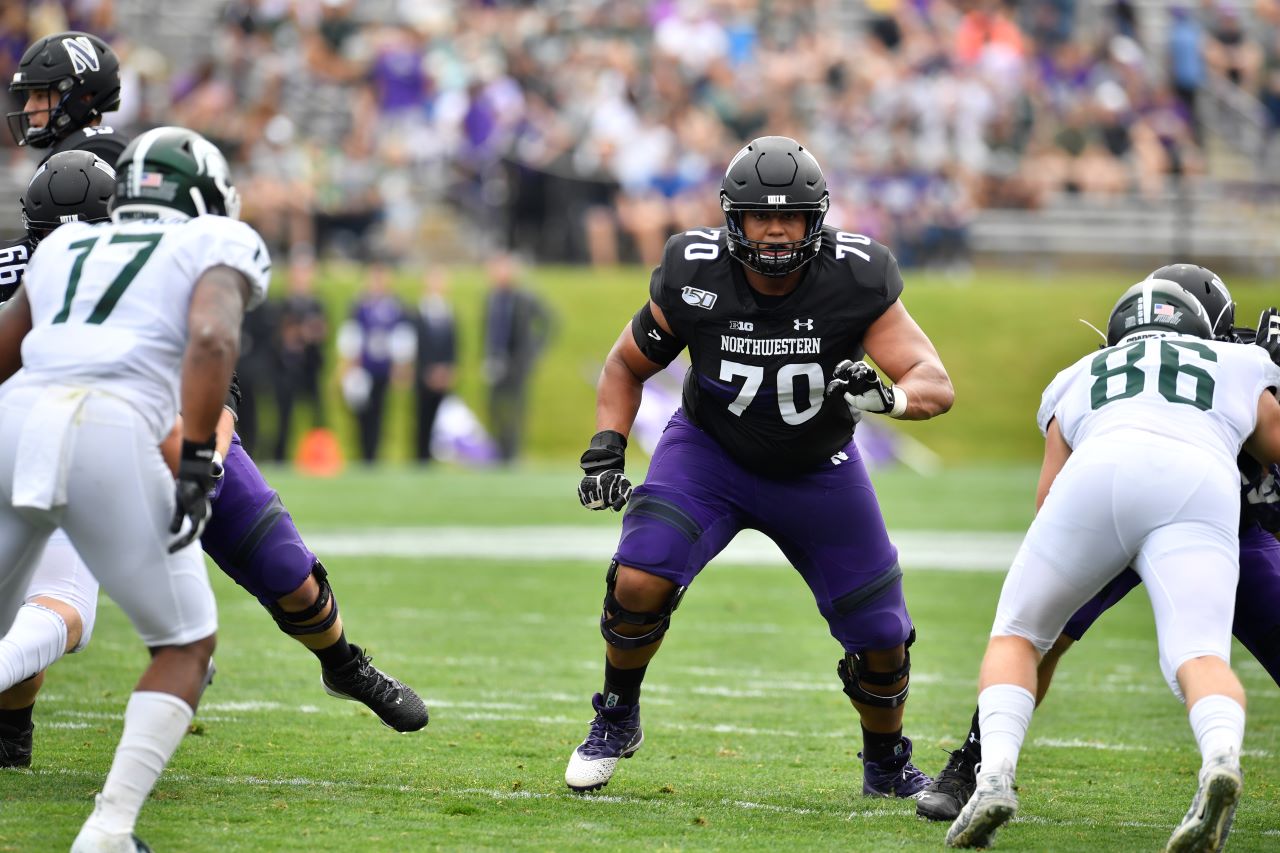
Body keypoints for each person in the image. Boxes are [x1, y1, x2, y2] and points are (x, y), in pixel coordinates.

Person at [564, 136, 955, 798]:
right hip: (709, 453)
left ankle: (886, 763)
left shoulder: (855, 277)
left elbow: (933, 380)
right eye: (760, 216)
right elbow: (626, 363)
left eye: (791, 216)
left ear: (816, 220)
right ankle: (616, 714)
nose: (776, 230)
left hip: (817, 466)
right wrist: (607, 444)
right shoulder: (694, 271)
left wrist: (891, 398)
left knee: (882, 632)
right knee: (639, 574)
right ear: (732, 218)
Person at [917, 264, 1280, 823]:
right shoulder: (1244, 364)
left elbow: (1050, 502)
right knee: (1188, 651)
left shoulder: (1084, 370)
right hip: (1204, 513)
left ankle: (990, 769)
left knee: (1025, 633)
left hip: (1128, 506)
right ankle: (973, 760)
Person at [0, 126, 266, 853]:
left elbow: (7, 346)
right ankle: (107, 832)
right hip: (110, 429)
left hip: (15, 420)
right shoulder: (215, 242)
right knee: (185, 641)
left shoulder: (61, 247)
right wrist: (192, 462)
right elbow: (213, 338)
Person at [337, 259, 415, 463]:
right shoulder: (361, 305)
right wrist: (348, 364)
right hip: (363, 368)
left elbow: (402, 337)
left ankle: (373, 455)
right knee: (362, 412)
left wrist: (401, 366)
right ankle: (363, 454)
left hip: (383, 368)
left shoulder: (395, 306)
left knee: (380, 412)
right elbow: (352, 335)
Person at [481, 251, 554, 463]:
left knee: (516, 408)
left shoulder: (523, 297)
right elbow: (488, 331)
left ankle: (513, 453)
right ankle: (498, 450)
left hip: (517, 363)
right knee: (494, 408)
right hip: (495, 362)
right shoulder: (491, 298)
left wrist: (534, 350)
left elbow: (548, 321)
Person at [273, 251, 329, 461]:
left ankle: (319, 457)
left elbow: (322, 332)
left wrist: (308, 333)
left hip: (310, 368)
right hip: (286, 369)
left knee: (317, 414)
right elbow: (279, 335)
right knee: (284, 418)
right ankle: (280, 458)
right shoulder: (283, 304)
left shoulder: (317, 304)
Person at [411, 267, 458, 463]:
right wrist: (427, 370)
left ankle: (437, 456)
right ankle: (420, 458)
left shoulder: (449, 311)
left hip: (443, 373)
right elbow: (416, 344)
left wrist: (448, 368)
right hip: (424, 375)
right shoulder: (419, 311)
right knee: (421, 419)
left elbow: (453, 343)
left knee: (441, 420)